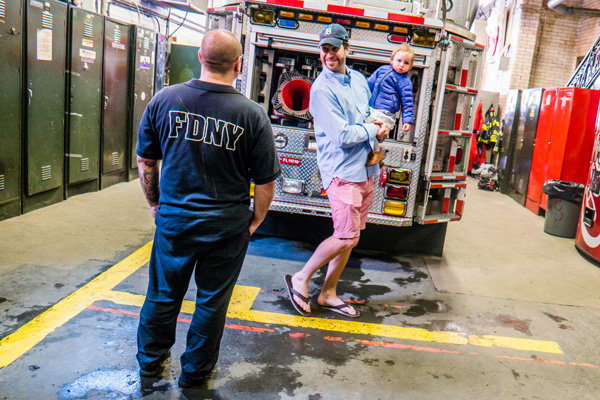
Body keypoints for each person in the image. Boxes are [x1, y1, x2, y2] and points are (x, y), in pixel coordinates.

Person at [135, 29, 281, 388]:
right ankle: (196, 375)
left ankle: (151, 366)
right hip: (227, 226)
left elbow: (146, 162)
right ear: (239, 64)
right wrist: (255, 221)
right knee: (212, 302)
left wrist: (156, 204)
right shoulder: (252, 115)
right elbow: (265, 182)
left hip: (175, 220)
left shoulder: (164, 100)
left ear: (199, 57)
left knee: (162, 295)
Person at [284, 24, 390, 318]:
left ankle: (328, 293)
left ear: (347, 48)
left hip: (365, 170)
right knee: (346, 237)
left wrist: (379, 125)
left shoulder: (358, 79)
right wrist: (372, 129)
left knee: (351, 236)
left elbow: (365, 114)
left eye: (334, 48)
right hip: (342, 172)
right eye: (324, 49)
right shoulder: (321, 90)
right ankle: (301, 278)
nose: (329, 54)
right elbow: (342, 136)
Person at [365, 43, 415, 166]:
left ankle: (376, 153)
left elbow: (407, 103)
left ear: (410, 66)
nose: (401, 65)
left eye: (406, 63)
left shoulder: (405, 82)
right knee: (370, 131)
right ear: (392, 60)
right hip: (373, 108)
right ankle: (376, 157)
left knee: (366, 126)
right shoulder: (382, 70)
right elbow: (369, 84)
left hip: (385, 113)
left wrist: (407, 121)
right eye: (399, 61)